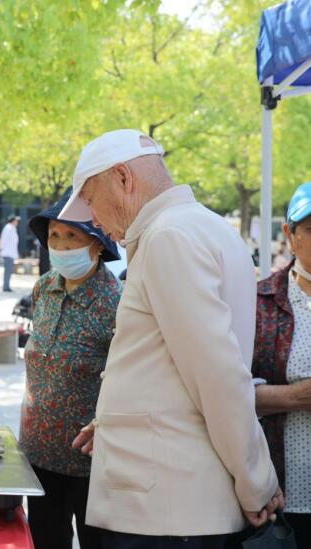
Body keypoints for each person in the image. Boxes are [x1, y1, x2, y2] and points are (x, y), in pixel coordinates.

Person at [65, 129, 281, 548]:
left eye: (90, 199)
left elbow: (217, 375)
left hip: (165, 509)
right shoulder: (200, 226)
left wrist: (256, 480)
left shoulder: (169, 237)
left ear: (124, 179)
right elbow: (175, 365)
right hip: (171, 501)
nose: (91, 218)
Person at [20, 189, 121, 549]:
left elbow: (126, 379)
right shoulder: (44, 288)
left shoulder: (117, 303)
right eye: (54, 236)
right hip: (39, 455)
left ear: (97, 243)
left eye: (72, 236)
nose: (60, 247)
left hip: (91, 465)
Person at [252, 181, 311, 547]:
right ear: (289, 235)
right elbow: (228, 393)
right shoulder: (261, 302)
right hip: (283, 496)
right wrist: (294, 397)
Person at [0, 214, 20, 292]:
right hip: (7, 253)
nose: (17, 222)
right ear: (13, 221)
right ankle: (6, 287)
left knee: (9, 270)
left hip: (10, 253)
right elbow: (3, 239)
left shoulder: (12, 228)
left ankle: (6, 286)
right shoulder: (8, 228)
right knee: (8, 271)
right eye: (16, 220)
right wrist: (1, 250)